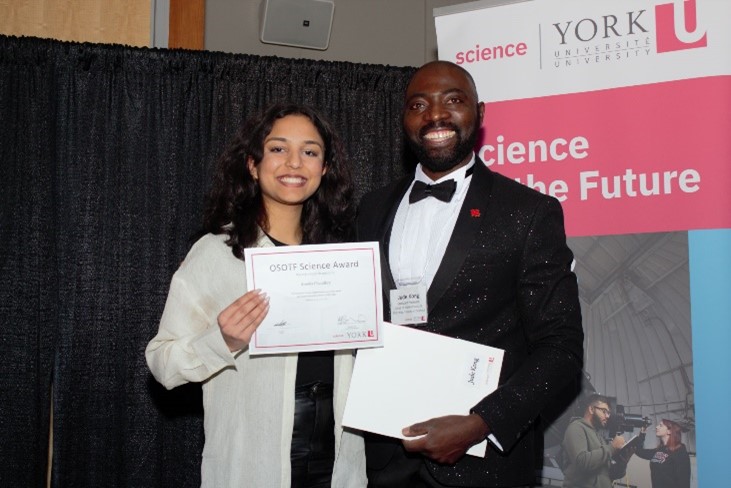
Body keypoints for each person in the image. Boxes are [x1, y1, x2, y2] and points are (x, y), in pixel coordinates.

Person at [356, 60, 584, 487]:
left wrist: (482, 423)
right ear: (404, 118)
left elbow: (562, 348)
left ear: (479, 114)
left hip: (483, 467)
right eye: (418, 104)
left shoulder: (528, 212)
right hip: (383, 462)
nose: (435, 116)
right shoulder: (372, 208)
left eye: (453, 101)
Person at [146, 104, 366, 488]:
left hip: (339, 463)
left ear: (325, 168)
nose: (294, 163)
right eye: (279, 149)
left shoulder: (345, 259)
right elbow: (163, 364)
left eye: (310, 151)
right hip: (253, 462)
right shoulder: (215, 254)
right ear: (252, 163)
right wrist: (222, 340)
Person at [560, 394, 626, 488]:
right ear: (591, 409)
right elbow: (581, 462)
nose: (607, 416)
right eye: (604, 411)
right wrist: (612, 447)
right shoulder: (576, 427)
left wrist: (623, 462)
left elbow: (609, 474)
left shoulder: (600, 438)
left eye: (609, 413)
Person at [635, 419, 691, 488]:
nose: (656, 427)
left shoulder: (680, 452)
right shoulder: (658, 451)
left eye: (660, 425)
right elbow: (639, 451)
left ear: (669, 431)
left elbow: (684, 482)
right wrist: (642, 432)